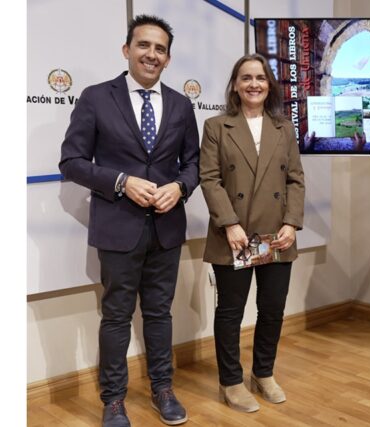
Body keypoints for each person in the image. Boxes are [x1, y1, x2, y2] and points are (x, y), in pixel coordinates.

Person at [59, 15, 199, 427]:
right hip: (117, 227)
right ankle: (114, 401)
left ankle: (163, 389)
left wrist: (181, 187)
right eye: (144, 46)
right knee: (117, 316)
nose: (151, 54)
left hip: (167, 227)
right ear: (127, 50)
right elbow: (71, 161)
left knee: (160, 314)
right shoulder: (96, 97)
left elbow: (191, 163)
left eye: (160, 49)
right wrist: (120, 182)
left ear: (168, 59)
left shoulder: (181, 104)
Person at [199, 53, 305, 413]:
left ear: (269, 84)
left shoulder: (284, 127)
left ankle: (264, 373)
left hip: (276, 234)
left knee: (272, 309)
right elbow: (210, 179)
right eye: (246, 78)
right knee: (230, 311)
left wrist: (291, 223)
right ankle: (231, 381)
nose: (254, 84)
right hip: (236, 234)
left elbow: (295, 179)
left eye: (260, 77)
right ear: (235, 84)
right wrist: (229, 224)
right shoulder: (217, 126)